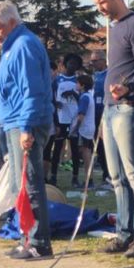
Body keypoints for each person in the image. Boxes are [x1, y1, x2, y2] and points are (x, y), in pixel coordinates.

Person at [89, 0, 134, 258]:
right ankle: (124, 233)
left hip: (130, 107)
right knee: (116, 177)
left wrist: (127, 87)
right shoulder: (113, 29)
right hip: (110, 108)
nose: (101, 8)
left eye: (103, 1)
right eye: (97, 3)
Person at [0, 0, 54, 260]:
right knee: (19, 185)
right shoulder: (10, 47)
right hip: (12, 122)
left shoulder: (23, 46)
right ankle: (26, 236)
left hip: (25, 123)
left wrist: (26, 127)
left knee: (30, 183)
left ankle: (39, 241)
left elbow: (32, 91)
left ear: (12, 23)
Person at [50, 54, 82, 188]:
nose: (72, 66)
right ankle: (53, 177)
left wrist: (74, 94)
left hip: (74, 121)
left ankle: (75, 178)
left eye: (75, 64)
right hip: (61, 120)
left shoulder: (79, 80)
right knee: (57, 149)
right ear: (65, 64)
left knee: (75, 150)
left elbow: (85, 98)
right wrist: (55, 104)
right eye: (70, 63)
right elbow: (51, 97)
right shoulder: (58, 80)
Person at [70, 74, 96, 188]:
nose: (76, 84)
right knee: (87, 153)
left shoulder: (84, 97)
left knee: (86, 154)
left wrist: (75, 129)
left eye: (77, 83)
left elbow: (81, 116)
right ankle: (88, 179)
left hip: (84, 129)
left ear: (82, 85)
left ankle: (89, 180)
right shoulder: (88, 96)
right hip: (89, 128)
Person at [89, 50, 111, 186]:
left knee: (105, 144)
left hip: (105, 114)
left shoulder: (109, 75)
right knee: (96, 146)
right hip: (93, 115)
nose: (93, 64)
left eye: (95, 61)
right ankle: (104, 170)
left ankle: (108, 173)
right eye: (92, 61)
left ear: (103, 60)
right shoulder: (93, 76)